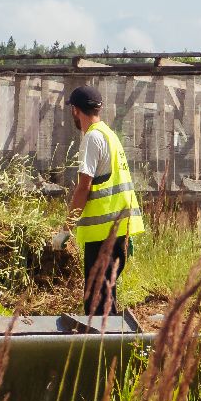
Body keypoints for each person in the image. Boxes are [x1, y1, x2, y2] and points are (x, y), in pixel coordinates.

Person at [65, 84, 144, 316]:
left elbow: (84, 187)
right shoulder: (110, 135)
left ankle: (102, 339)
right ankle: (109, 336)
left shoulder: (92, 138)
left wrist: (66, 228)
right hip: (118, 232)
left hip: (103, 235)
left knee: (96, 303)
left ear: (75, 110)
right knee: (105, 297)